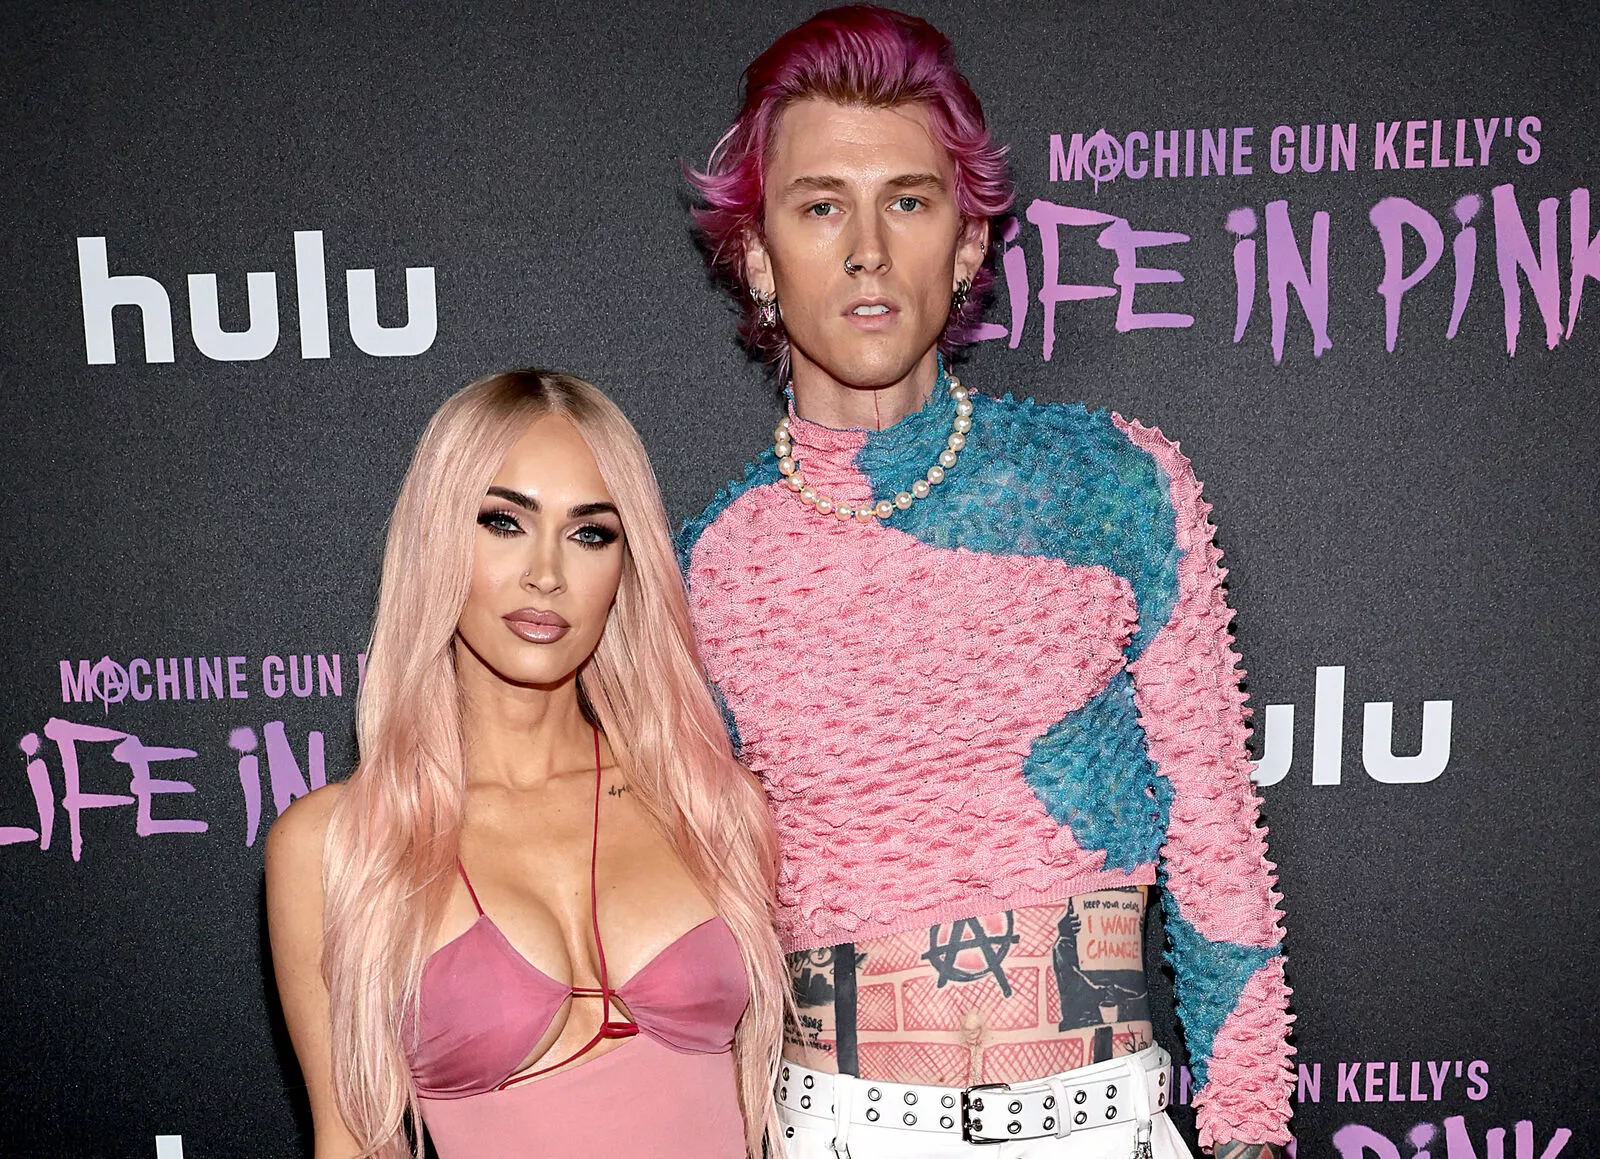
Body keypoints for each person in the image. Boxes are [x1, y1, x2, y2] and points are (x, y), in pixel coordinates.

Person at [679, 8, 1292, 1158]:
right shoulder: (709, 568)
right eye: (820, 206)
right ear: (758, 256)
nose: (867, 249)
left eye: (908, 202)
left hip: (1100, 1126)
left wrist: (1248, 1131)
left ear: (966, 245)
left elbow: (1216, 845)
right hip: (833, 1132)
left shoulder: (1113, 484)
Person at [265, 370, 786, 1159]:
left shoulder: (706, 801)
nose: (546, 573)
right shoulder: (336, 842)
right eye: (503, 522)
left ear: (627, 564)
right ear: (438, 537)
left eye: (590, 533)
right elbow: (348, 1144)